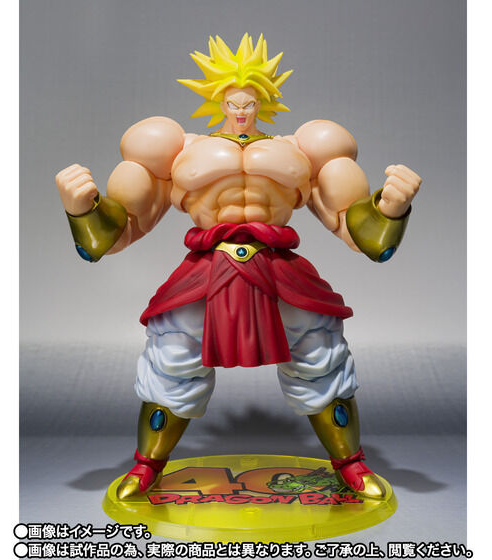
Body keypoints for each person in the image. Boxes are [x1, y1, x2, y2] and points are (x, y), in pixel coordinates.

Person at [55, 34, 421, 501]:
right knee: (172, 362)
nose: (242, 110)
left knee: (321, 358)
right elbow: (119, 230)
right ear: (217, 100)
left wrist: (389, 209)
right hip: (207, 270)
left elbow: (357, 229)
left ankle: (351, 463)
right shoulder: (175, 147)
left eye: (250, 101)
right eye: (233, 101)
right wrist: (83, 209)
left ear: (265, 100)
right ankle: (146, 466)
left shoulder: (306, 147)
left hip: (278, 268)